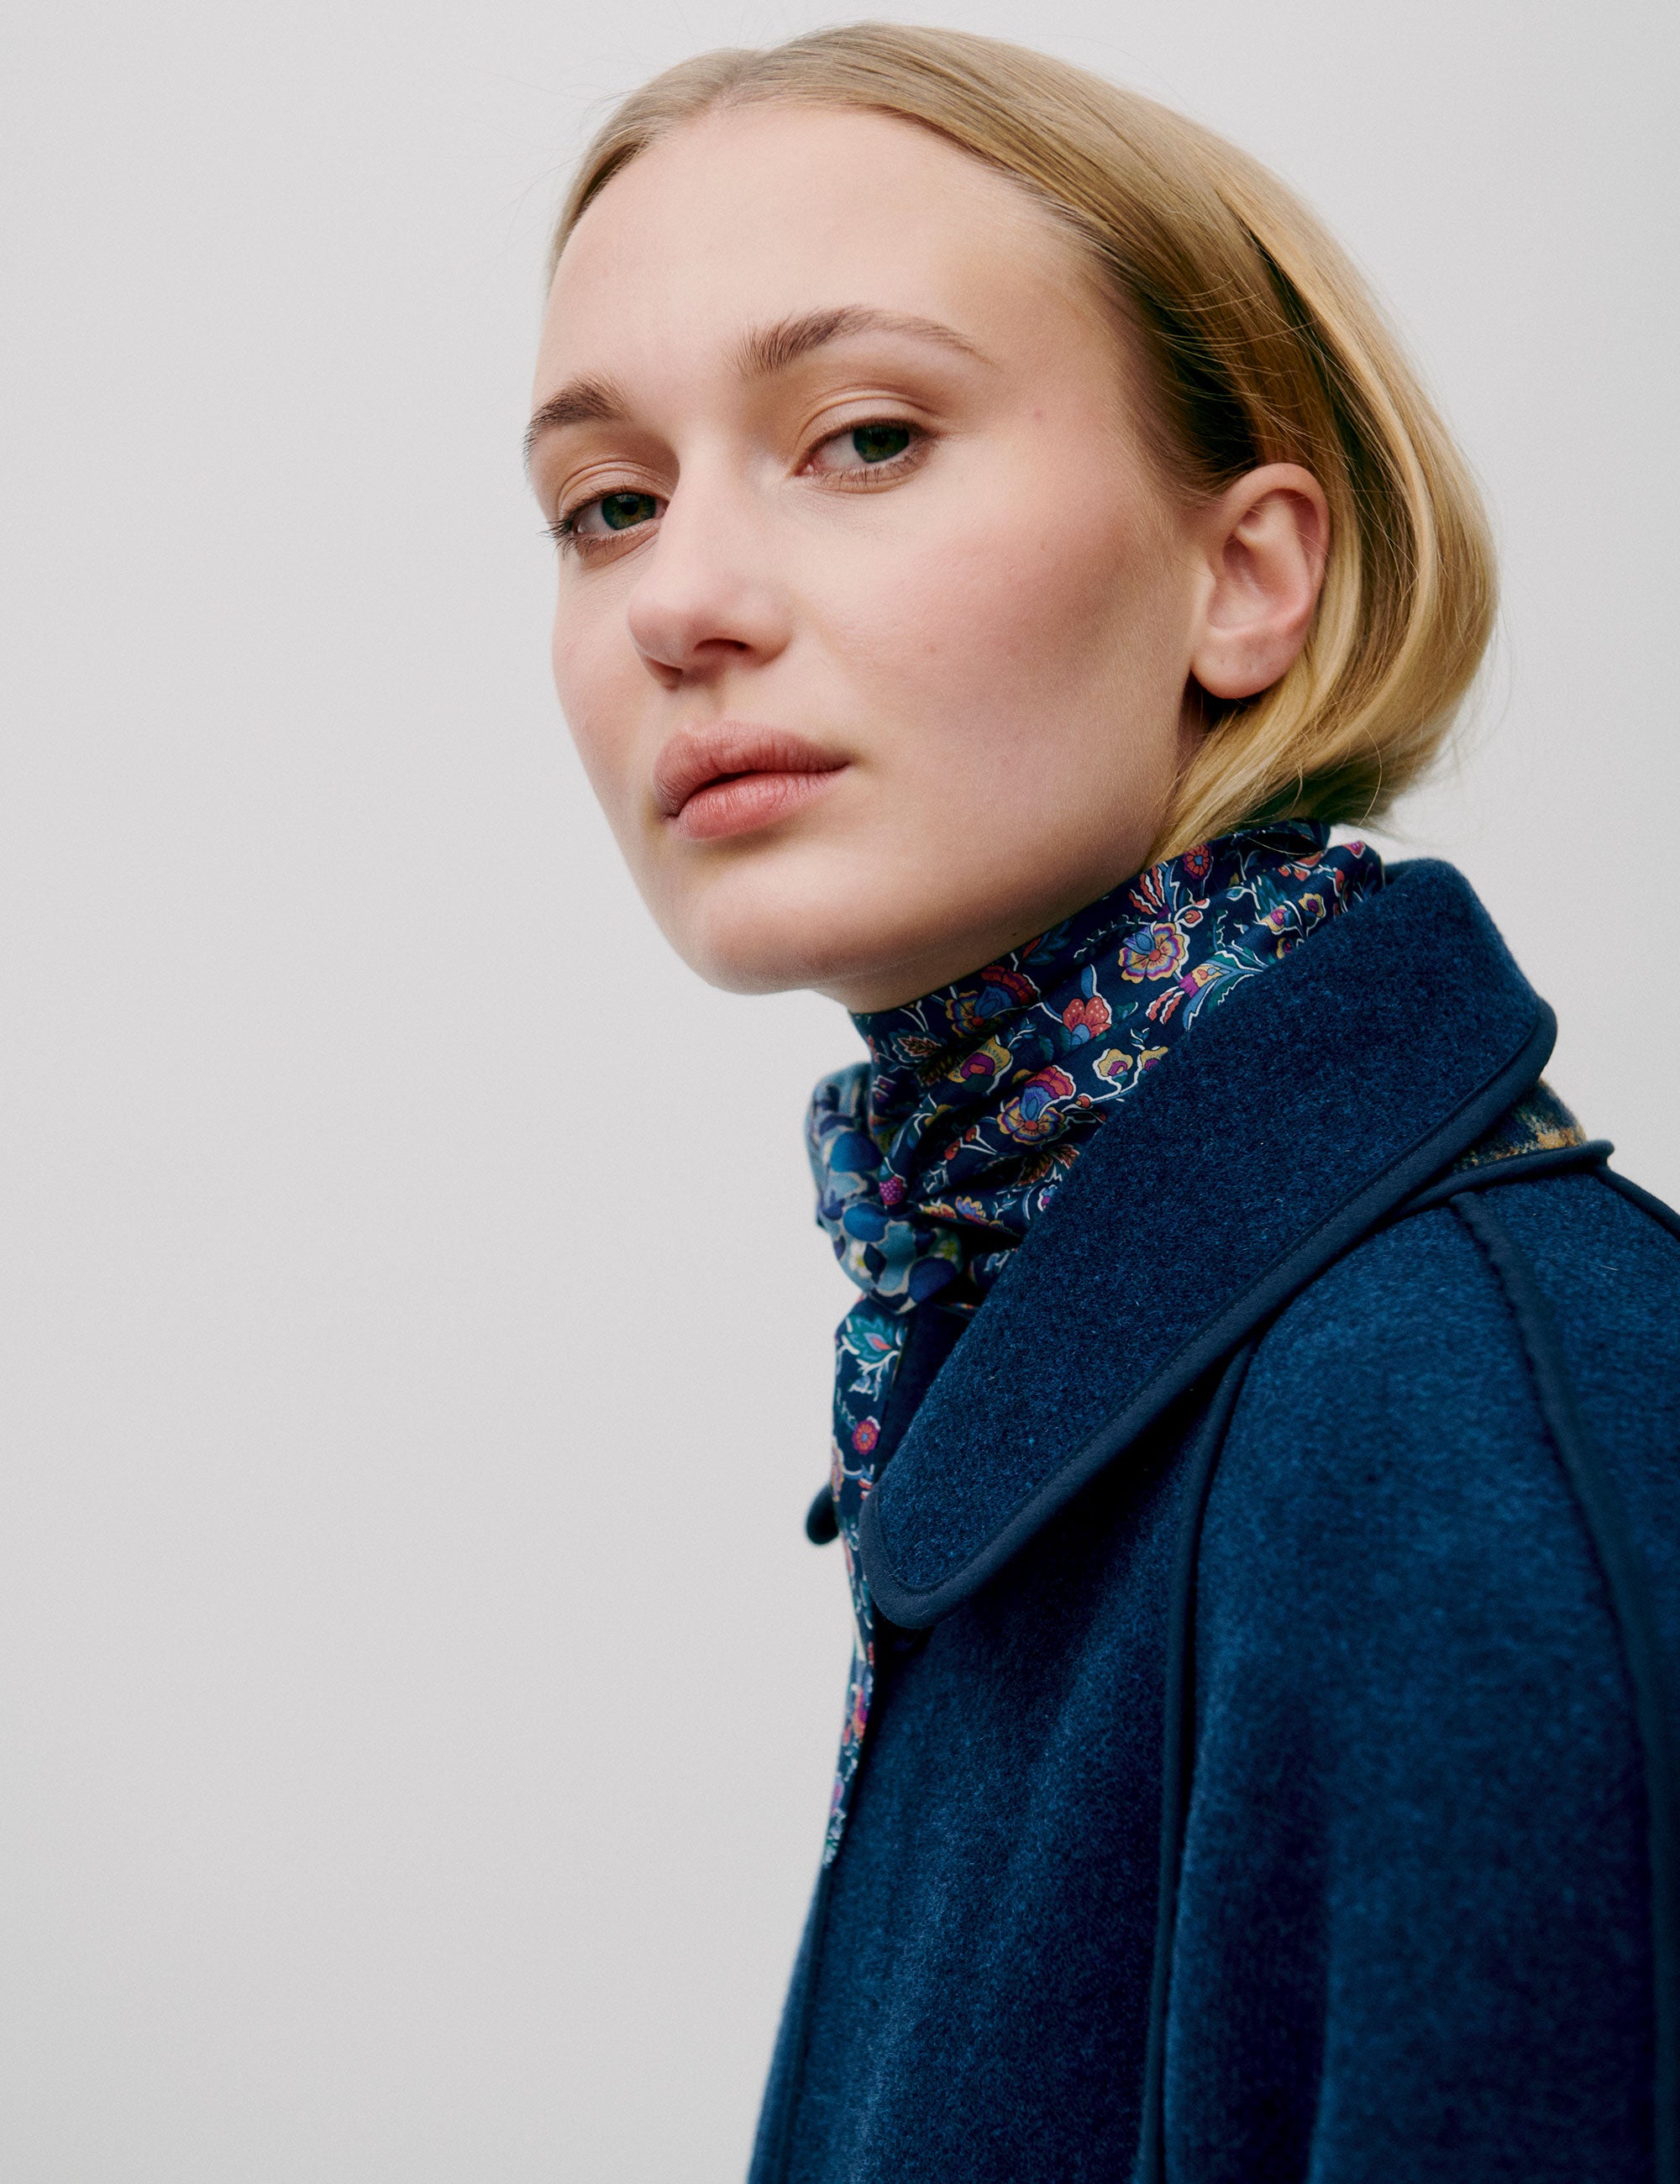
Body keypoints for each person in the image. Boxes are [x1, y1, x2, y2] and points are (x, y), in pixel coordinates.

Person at [524, 25, 1680, 2181]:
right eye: (608, 502)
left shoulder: (1449, 1425)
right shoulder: (1025, 1346)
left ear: (1245, 575)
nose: (677, 600)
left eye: (864, 437)